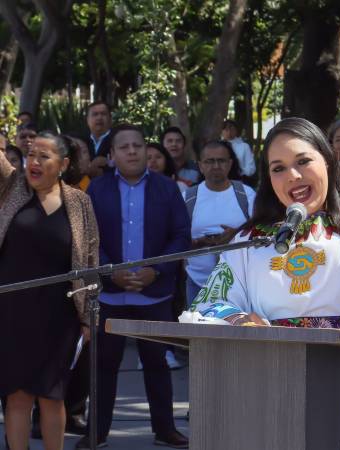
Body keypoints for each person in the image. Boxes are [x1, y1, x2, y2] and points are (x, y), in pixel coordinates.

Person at [187, 90, 340, 449]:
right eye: (278, 168)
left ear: (329, 162)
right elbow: (209, 303)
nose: (293, 176)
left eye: (304, 161)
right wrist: (241, 321)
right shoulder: (251, 241)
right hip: (270, 388)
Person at [79, 124, 190, 449]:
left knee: (157, 364)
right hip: (110, 294)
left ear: (146, 151)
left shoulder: (166, 189)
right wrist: (108, 270)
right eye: (124, 147)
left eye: (137, 146)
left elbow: (181, 235)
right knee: (104, 366)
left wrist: (156, 270)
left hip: (154, 294)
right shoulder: (96, 190)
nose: (132, 151)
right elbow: (87, 236)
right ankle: (96, 432)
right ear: (111, 156)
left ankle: (165, 430)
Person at [0, 131, 99, 450]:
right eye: (31, 155)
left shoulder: (79, 201)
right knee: (16, 395)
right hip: (10, 312)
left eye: (45, 156)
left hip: (60, 314)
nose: (34, 162)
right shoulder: (11, 187)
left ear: (63, 163)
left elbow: (91, 258)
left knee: (51, 395)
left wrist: (89, 316)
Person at [184, 140, 255, 305]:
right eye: (209, 161)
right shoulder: (188, 197)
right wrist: (198, 243)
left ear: (230, 164)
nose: (216, 166)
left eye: (221, 161)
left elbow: (259, 233)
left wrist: (235, 235)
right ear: (200, 166)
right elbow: (177, 238)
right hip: (197, 282)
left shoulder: (246, 194)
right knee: (196, 329)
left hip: (239, 283)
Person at [86, 101, 113, 178]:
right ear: (87, 120)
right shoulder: (81, 142)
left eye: (103, 114)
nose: (99, 117)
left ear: (110, 119)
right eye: (95, 114)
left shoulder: (118, 140)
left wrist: (109, 163)